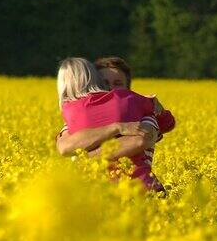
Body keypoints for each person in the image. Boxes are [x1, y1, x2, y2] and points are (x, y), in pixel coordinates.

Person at [57, 57, 174, 191]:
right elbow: (64, 147)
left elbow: (141, 140)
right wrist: (117, 127)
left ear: (128, 89)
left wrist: (85, 156)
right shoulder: (77, 116)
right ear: (94, 82)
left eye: (117, 83)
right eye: (104, 82)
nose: (111, 88)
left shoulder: (144, 115)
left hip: (136, 191)